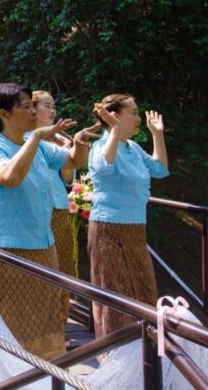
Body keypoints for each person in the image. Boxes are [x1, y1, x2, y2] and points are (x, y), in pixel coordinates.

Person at [0, 83, 99, 359]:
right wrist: (34, 139)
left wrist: (80, 142)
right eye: (25, 107)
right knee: (14, 320)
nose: (33, 112)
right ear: (4, 115)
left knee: (45, 319)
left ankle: (44, 376)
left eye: (33, 105)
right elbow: (9, 178)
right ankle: (12, 378)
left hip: (44, 246)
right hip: (9, 249)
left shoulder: (41, 149)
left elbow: (73, 161)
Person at [89, 94, 169, 338]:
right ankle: (112, 354)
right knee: (114, 292)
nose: (138, 118)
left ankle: (145, 353)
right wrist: (113, 130)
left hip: (136, 230)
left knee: (144, 289)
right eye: (132, 112)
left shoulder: (132, 148)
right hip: (107, 229)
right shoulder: (100, 146)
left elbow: (160, 170)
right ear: (114, 116)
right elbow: (104, 166)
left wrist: (157, 134)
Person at [32, 90, 76, 322]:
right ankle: (39, 323)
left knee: (62, 265)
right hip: (33, 210)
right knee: (38, 267)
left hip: (58, 207)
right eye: (46, 106)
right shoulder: (23, 138)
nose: (52, 111)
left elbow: (68, 179)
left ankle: (59, 324)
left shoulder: (61, 142)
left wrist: (69, 149)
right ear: (33, 109)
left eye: (53, 106)